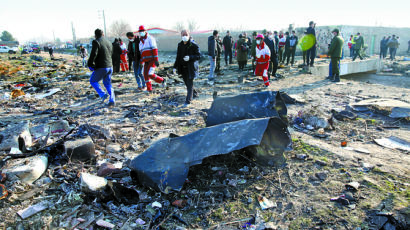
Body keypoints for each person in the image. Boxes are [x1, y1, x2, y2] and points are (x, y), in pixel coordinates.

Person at [173, 30, 201, 107]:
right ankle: (194, 93)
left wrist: (190, 57)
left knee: (189, 84)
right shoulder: (180, 45)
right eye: (183, 35)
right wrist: (175, 67)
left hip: (191, 68)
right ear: (181, 36)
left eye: (186, 34)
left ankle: (188, 101)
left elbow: (198, 56)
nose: (184, 36)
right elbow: (178, 57)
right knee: (187, 84)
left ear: (189, 35)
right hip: (182, 68)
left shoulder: (193, 45)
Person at [88, 29, 115, 107]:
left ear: (95, 35)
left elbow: (93, 54)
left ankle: (103, 95)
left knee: (93, 80)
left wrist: (90, 64)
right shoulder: (109, 42)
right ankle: (112, 100)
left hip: (102, 66)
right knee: (107, 83)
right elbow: (111, 53)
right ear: (103, 34)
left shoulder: (96, 42)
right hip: (110, 66)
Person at [138, 25, 166, 92]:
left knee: (150, 74)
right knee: (145, 75)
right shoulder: (141, 41)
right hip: (146, 61)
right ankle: (149, 89)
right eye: (140, 31)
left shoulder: (150, 39)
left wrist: (156, 60)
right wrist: (141, 62)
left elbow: (154, 49)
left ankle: (162, 80)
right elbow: (141, 53)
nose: (141, 32)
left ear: (145, 31)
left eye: (142, 31)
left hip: (152, 60)